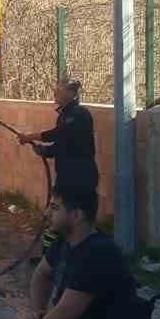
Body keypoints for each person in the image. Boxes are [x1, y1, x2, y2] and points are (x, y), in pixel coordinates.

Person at [0, 186, 140, 319]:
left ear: (76, 215)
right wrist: (36, 311)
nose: (47, 213)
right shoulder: (65, 242)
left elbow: (65, 314)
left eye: (55, 208)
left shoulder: (97, 252)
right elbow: (41, 275)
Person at [19, 77, 98, 252]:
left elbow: (59, 134)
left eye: (59, 91)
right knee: (61, 217)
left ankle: (58, 256)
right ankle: (53, 255)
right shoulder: (66, 115)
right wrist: (44, 151)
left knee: (71, 217)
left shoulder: (78, 115)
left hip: (78, 176)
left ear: (72, 94)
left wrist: (30, 137)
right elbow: (63, 145)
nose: (55, 93)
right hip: (68, 175)